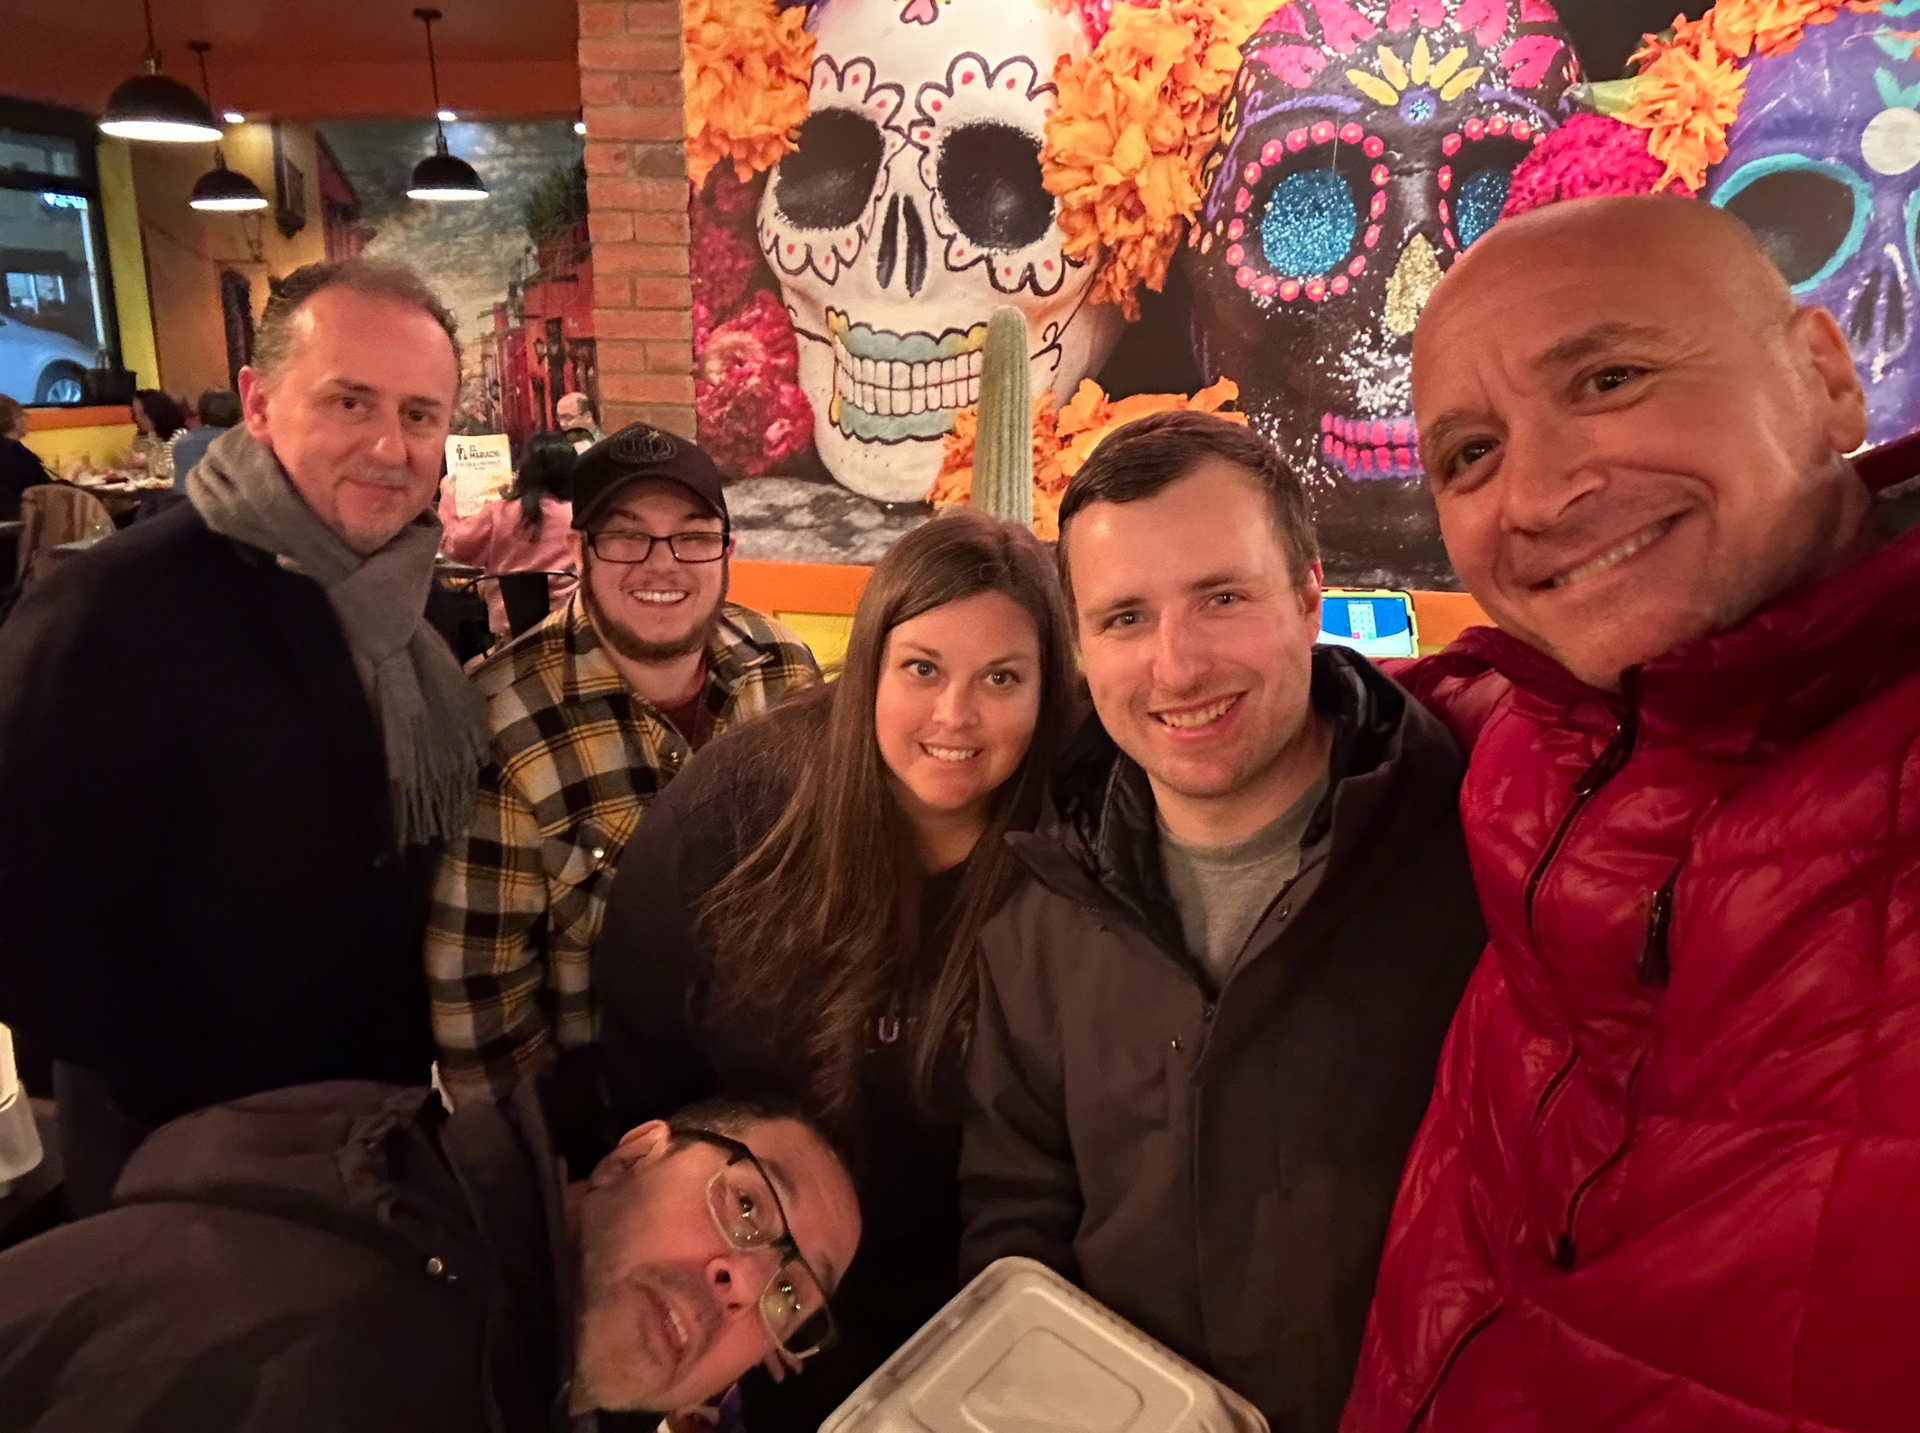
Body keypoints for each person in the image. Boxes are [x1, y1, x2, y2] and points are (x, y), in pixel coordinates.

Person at [1341, 195, 1920, 1433]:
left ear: (1823, 379)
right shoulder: (1538, 732)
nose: (1540, 494)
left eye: (1609, 376)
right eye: (1470, 454)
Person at [959, 412, 1486, 1433]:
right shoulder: (1041, 905)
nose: (1177, 666)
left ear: (1308, 598)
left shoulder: (1470, 853)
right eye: (1124, 619)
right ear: (1082, 646)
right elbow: (1016, 1211)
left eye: (1221, 598)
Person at [0, 257, 487, 1214]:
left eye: (421, 414)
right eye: (351, 401)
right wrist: (183, 1063)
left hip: (375, 1126)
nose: (391, 445)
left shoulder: (408, 603)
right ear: (259, 404)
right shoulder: (110, 611)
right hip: (185, 1158)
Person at [594, 509, 1080, 1429]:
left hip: (988, 1305)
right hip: (763, 1301)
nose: (956, 716)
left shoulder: (1083, 838)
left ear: (1051, 691)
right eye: (923, 668)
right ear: (869, 668)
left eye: (1002, 678)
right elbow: (643, 1062)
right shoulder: (735, 818)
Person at [0, 1079, 862, 1431]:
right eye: (747, 1204)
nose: (746, 1279)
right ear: (635, 1152)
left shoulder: (419, 1218)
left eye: (792, 1296)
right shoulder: (366, 1360)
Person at [426, 423, 819, 1111]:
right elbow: (483, 1009)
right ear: (580, 550)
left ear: (726, 549)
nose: (661, 564)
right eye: (626, 535)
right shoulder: (501, 722)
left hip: (780, 1091)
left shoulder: (783, 669)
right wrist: (554, 1184)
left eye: (692, 536)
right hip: (611, 1134)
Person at [437, 428, 580, 638]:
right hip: (568, 632)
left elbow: (453, 545)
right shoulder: (579, 515)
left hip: (509, 637)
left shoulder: (499, 512)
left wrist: (448, 498)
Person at [169, 388, 243, 490]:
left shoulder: (181, 445)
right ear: (239, 415)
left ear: (200, 415)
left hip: (179, 503)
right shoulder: (240, 444)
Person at [0, 394, 52, 523]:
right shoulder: (14, 453)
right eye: (21, 414)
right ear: (11, 420)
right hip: (22, 527)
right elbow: (47, 490)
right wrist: (72, 474)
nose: (26, 418)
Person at [128, 388, 186, 482]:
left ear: (155, 413)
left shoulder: (180, 437)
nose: (137, 418)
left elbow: (174, 471)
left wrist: (147, 461)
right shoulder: (152, 437)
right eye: (135, 413)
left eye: (142, 413)